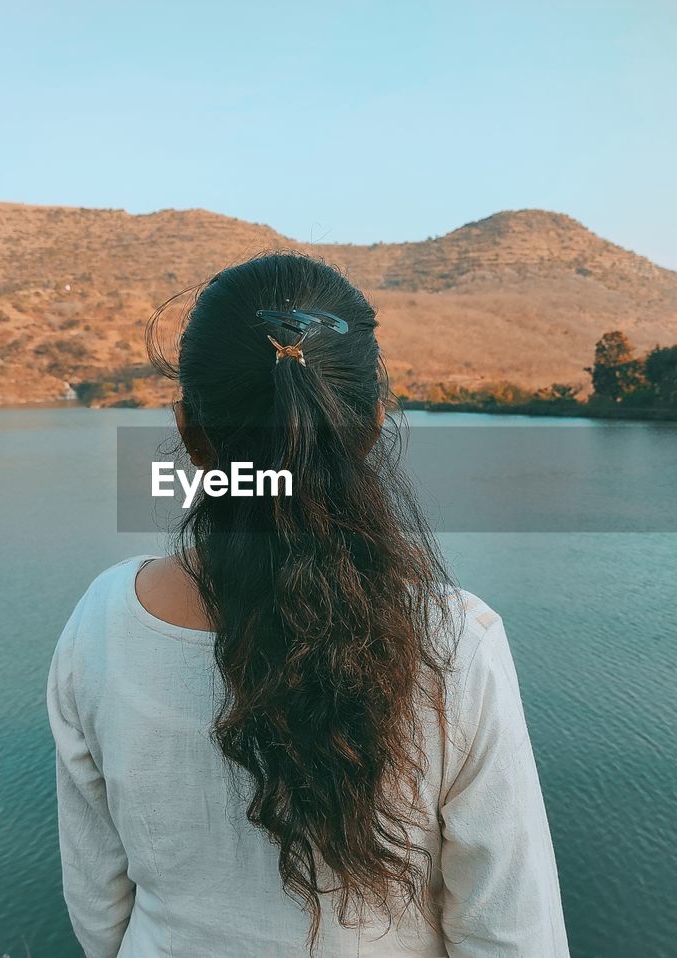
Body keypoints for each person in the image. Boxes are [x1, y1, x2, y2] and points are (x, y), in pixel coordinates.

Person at [46, 252, 569, 957]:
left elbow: (97, 903)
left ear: (190, 433)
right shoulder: (456, 642)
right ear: (372, 424)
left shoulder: (102, 620)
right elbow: (511, 933)